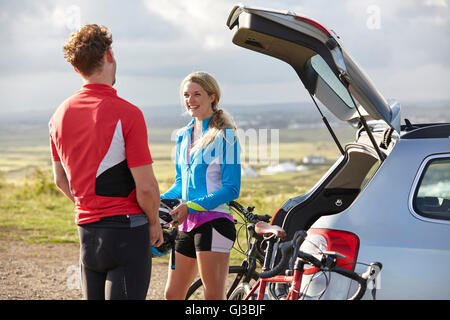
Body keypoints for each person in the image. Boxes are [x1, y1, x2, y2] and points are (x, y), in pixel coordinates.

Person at [48, 24, 163, 300]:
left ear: (77, 69)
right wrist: (154, 221)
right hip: (127, 233)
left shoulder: (58, 116)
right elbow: (145, 187)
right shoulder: (128, 113)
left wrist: (89, 208)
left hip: (87, 233)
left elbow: (60, 181)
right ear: (110, 55)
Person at [161, 71, 241, 300]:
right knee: (173, 294)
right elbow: (180, 184)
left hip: (214, 222)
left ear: (212, 97)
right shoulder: (183, 135)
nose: (190, 100)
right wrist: (159, 202)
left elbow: (232, 188)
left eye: (197, 94)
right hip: (186, 224)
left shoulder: (226, 136)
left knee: (213, 297)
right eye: (186, 95)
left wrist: (192, 206)